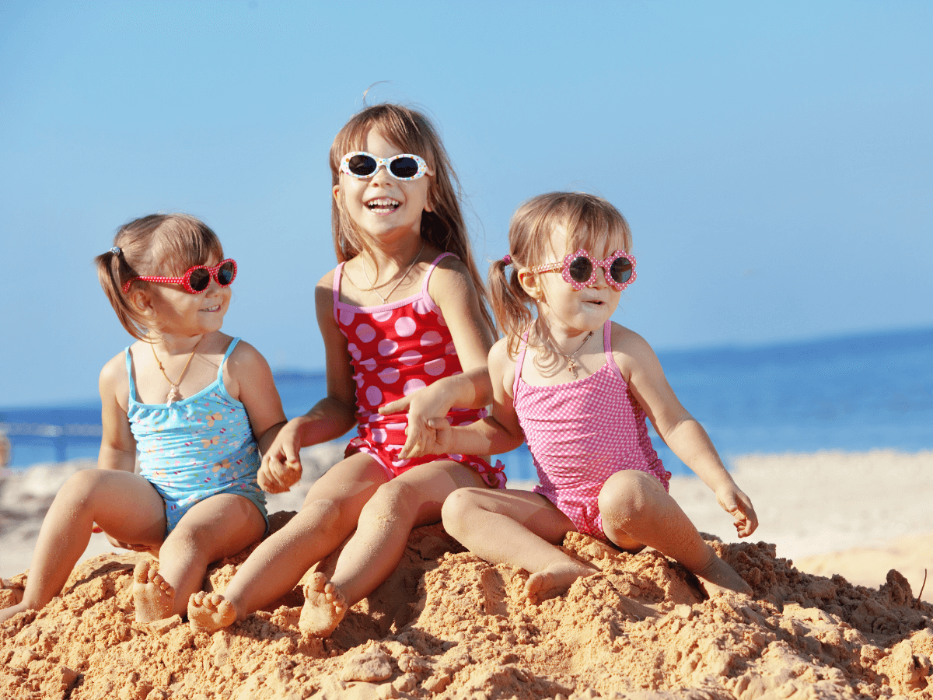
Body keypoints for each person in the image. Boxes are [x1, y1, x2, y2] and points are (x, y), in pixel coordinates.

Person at [188, 104, 505, 637]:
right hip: (378, 447)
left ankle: (338, 593)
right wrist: (298, 430)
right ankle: (232, 601)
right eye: (363, 166)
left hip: (451, 451)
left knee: (394, 499)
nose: (382, 178)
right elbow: (343, 402)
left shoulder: (441, 277)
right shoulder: (331, 291)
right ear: (340, 194)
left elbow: (490, 378)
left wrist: (442, 394)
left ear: (430, 192)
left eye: (403, 167)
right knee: (323, 508)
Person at [396, 192, 758, 603]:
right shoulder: (508, 356)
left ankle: (706, 564)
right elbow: (503, 430)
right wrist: (452, 440)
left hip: (626, 514)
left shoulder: (622, 350)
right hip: (560, 510)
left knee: (625, 494)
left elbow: (673, 422)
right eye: (582, 267)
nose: (602, 280)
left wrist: (721, 482)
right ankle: (560, 564)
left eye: (617, 267)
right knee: (460, 507)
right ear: (531, 282)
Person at [0, 214, 287, 625]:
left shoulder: (238, 360)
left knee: (191, 536)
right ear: (143, 299)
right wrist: (111, 506)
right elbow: (117, 448)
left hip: (231, 502)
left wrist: (278, 455)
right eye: (198, 280)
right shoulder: (120, 373)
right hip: (157, 502)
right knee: (82, 486)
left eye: (223, 273)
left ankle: (162, 611)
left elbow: (271, 427)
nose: (218, 290)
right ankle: (34, 600)